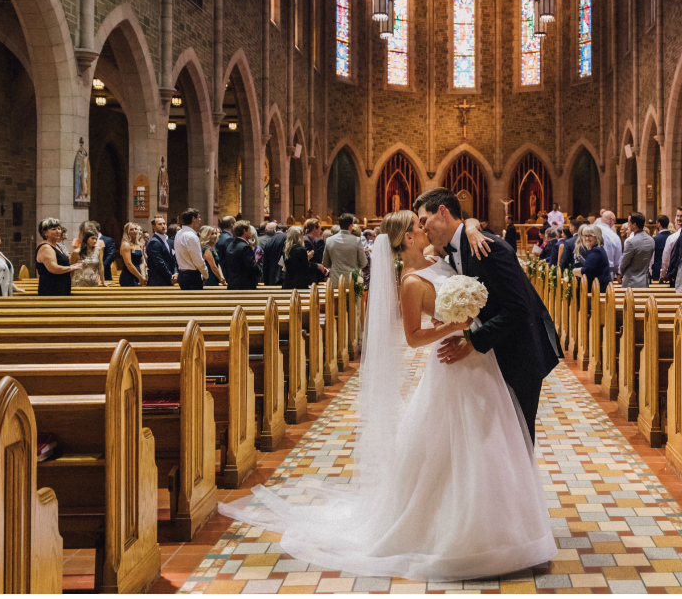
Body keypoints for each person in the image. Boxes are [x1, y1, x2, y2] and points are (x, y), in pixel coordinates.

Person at [218, 210, 557, 581]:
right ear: (408, 238)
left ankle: (501, 523)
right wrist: (458, 327)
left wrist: (473, 226)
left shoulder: (437, 260)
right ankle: (461, 531)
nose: (424, 227)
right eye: (417, 226)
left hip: (478, 360)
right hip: (454, 360)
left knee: (490, 444)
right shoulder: (411, 282)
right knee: (462, 447)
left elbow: (465, 237)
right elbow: (413, 337)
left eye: (424, 221)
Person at [415, 187, 561, 445]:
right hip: (495, 356)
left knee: (518, 441)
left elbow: (518, 308)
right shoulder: (455, 249)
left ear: (442, 211)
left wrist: (472, 342)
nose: (424, 229)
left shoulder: (488, 247)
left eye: (425, 221)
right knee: (497, 444)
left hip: (518, 356)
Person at [35, 218, 83, 296]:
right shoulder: (46, 247)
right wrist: (73, 267)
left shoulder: (57, 246)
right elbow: (54, 269)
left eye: (59, 229)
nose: (58, 231)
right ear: (45, 233)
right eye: (53, 229)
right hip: (51, 289)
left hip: (62, 286)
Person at [322, 213, 369, 284]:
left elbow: (325, 262)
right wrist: (355, 266)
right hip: (352, 280)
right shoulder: (356, 240)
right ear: (350, 225)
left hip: (335, 280)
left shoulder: (329, 240)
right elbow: (363, 262)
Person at [174, 208, 209, 290]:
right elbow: (197, 260)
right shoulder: (191, 236)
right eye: (198, 217)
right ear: (193, 219)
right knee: (196, 302)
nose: (200, 220)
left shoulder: (179, 233)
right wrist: (206, 274)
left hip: (182, 274)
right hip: (192, 276)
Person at [573, 223, 612, 293]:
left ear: (597, 237)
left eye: (590, 235)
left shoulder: (596, 252)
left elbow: (587, 271)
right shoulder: (597, 249)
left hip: (598, 291)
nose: (587, 238)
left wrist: (574, 271)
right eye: (585, 235)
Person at [620, 212, 655, 288]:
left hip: (631, 281)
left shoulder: (631, 242)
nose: (628, 225)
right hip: (644, 281)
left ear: (634, 224)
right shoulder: (651, 240)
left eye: (629, 223)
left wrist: (620, 274)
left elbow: (624, 263)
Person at [225, 221, 262, 290]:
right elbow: (252, 266)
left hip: (232, 285)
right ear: (244, 231)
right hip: (245, 286)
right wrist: (260, 271)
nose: (250, 232)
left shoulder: (230, 245)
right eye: (249, 230)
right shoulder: (245, 247)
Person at [659, 206, 682, 284]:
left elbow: (680, 257)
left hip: (681, 276)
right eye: (677, 216)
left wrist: (671, 273)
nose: (679, 218)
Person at [145, 215, 178, 286]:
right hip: (158, 281)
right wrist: (170, 277)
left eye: (164, 223)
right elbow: (160, 263)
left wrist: (176, 272)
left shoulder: (169, 241)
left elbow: (174, 259)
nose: (163, 226)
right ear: (153, 227)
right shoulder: (154, 242)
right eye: (160, 224)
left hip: (169, 279)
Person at [650, 215, 671, 281]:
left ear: (659, 224)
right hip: (671, 270)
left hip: (657, 270)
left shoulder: (655, 239)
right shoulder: (673, 238)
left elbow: (652, 258)